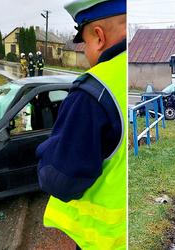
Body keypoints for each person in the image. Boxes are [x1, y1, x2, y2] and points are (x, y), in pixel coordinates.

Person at [36, 0, 126, 249]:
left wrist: (50, 148)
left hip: (103, 242)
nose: (85, 52)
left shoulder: (92, 92)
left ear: (99, 37)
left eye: (84, 43)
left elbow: (59, 180)